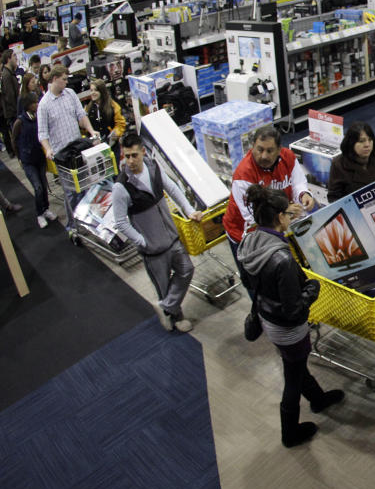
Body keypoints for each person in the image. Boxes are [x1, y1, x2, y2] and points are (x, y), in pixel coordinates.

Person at [237, 185, 344, 448]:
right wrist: (312, 290)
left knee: (294, 366)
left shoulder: (250, 240)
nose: (290, 217)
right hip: (289, 328)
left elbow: (247, 280)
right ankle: (289, 433)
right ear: (278, 217)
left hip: (268, 318)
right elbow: (295, 309)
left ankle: (318, 399)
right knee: (292, 379)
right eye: (287, 213)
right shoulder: (281, 258)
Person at [112, 133, 201, 332]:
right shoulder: (121, 187)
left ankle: (165, 307)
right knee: (163, 287)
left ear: (143, 152)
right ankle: (175, 319)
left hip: (172, 239)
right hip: (153, 250)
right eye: (126, 156)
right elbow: (120, 222)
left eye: (134, 155)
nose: (130, 161)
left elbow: (172, 188)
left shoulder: (153, 168)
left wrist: (188, 210)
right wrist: (142, 241)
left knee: (187, 269)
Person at [223, 125, 315, 289]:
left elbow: (298, 182)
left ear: (279, 149)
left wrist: (304, 195)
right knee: (256, 285)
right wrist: (286, 211)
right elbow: (254, 218)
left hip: (278, 228)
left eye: (269, 150)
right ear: (253, 147)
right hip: (244, 234)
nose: (263, 155)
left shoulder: (288, 157)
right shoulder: (244, 175)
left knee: (280, 280)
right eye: (259, 149)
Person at [37, 64, 100, 231]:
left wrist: (91, 130)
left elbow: (81, 115)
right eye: (64, 79)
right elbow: (42, 133)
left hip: (79, 149)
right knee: (71, 192)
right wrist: (48, 149)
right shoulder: (44, 105)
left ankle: (87, 220)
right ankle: (72, 226)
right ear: (55, 79)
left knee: (86, 187)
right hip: (62, 156)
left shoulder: (70, 94)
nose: (67, 82)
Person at [327, 121, 375, 202]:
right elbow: (333, 197)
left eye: (370, 139)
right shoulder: (339, 164)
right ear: (351, 143)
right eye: (361, 141)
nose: (367, 145)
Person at [12, 93, 52, 227]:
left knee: (44, 185)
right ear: (28, 105)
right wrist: (19, 158)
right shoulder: (20, 122)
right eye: (34, 102)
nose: (37, 104)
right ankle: (39, 214)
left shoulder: (39, 118)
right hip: (27, 160)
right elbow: (14, 140)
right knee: (38, 187)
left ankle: (46, 209)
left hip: (39, 157)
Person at [85, 78, 127, 163]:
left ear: (102, 91)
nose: (93, 93)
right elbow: (85, 127)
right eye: (91, 90)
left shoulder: (113, 105)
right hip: (95, 148)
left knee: (115, 173)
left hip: (112, 147)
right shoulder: (88, 108)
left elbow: (120, 124)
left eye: (96, 90)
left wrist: (114, 136)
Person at [1, 49, 19, 158]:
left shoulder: (8, 73)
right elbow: (10, 97)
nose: (16, 58)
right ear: (8, 59)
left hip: (13, 112)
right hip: (13, 113)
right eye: (14, 56)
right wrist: (17, 111)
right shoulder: (7, 75)